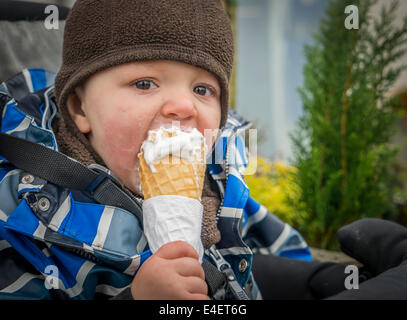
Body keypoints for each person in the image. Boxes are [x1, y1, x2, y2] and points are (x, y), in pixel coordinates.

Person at [1, 0, 407, 300]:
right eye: (145, 83)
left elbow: (267, 250)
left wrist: (323, 279)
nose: (184, 106)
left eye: (202, 89)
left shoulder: (218, 185)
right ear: (79, 108)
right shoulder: (22, 204)